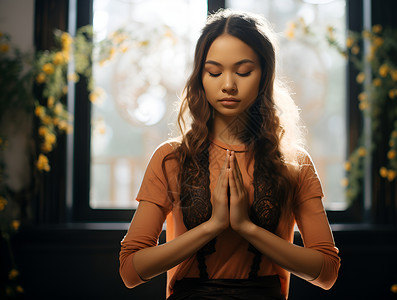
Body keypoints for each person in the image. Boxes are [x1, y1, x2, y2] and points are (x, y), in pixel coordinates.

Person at [119, 9, 340, 300]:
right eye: (214, 71)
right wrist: (212, 226)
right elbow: (130, 272)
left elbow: (327, 272)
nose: (228, 85)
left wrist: (247, 228)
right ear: (200, 76)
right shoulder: (171, 159)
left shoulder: (294, 164)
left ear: (265, 75)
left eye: (243, 71)